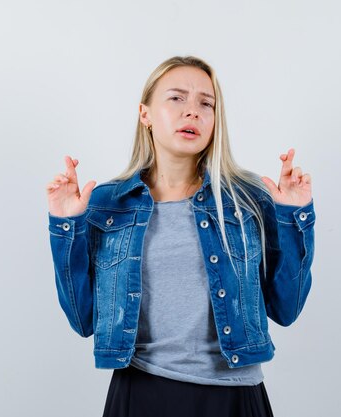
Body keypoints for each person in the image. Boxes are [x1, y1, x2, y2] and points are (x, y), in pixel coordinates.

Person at [45, 55, 316, 417]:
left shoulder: (246, 199)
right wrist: (67, 225)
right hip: (140, 391)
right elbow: (83, 320)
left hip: (233, 397)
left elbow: (287, 308)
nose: (193, 112)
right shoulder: (107, 205)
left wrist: (293, 216)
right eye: (177, 98)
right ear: (145, 114)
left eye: (207, 103)